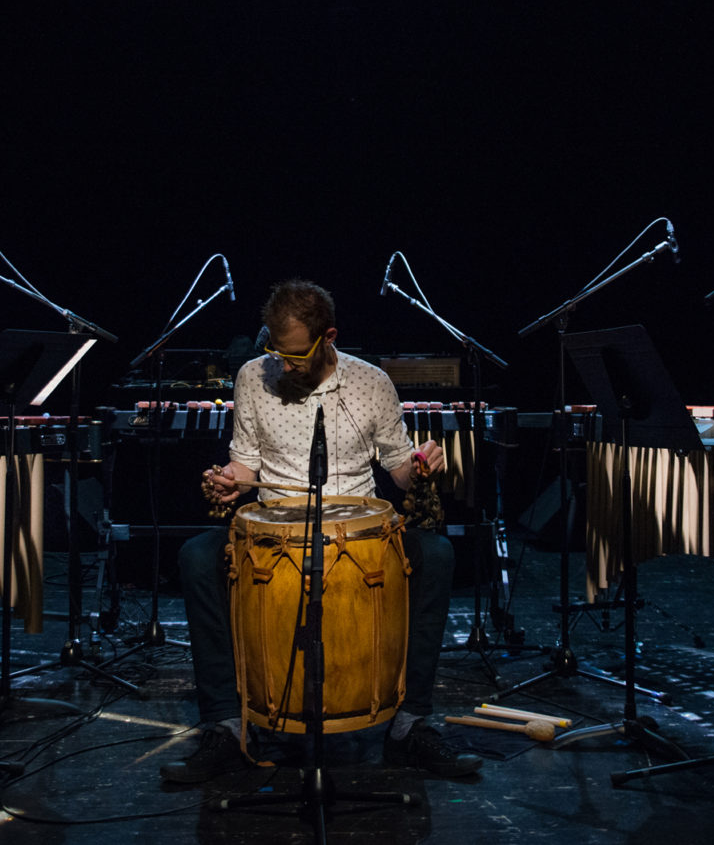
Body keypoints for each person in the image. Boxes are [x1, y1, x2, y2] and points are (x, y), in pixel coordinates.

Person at [160, 279, 482, 783]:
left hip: (356, 532)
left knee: (436, 555)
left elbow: (398, 467)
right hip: (274, 528)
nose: (283, 364)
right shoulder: (252, 377)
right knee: (197, 557)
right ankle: (225, 726)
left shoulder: (371, 382)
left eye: (294, 354)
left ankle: (410, 724)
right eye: (274, 350)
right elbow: (245, 464)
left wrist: (420, 465)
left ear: (328, 336)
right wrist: (229, 481)